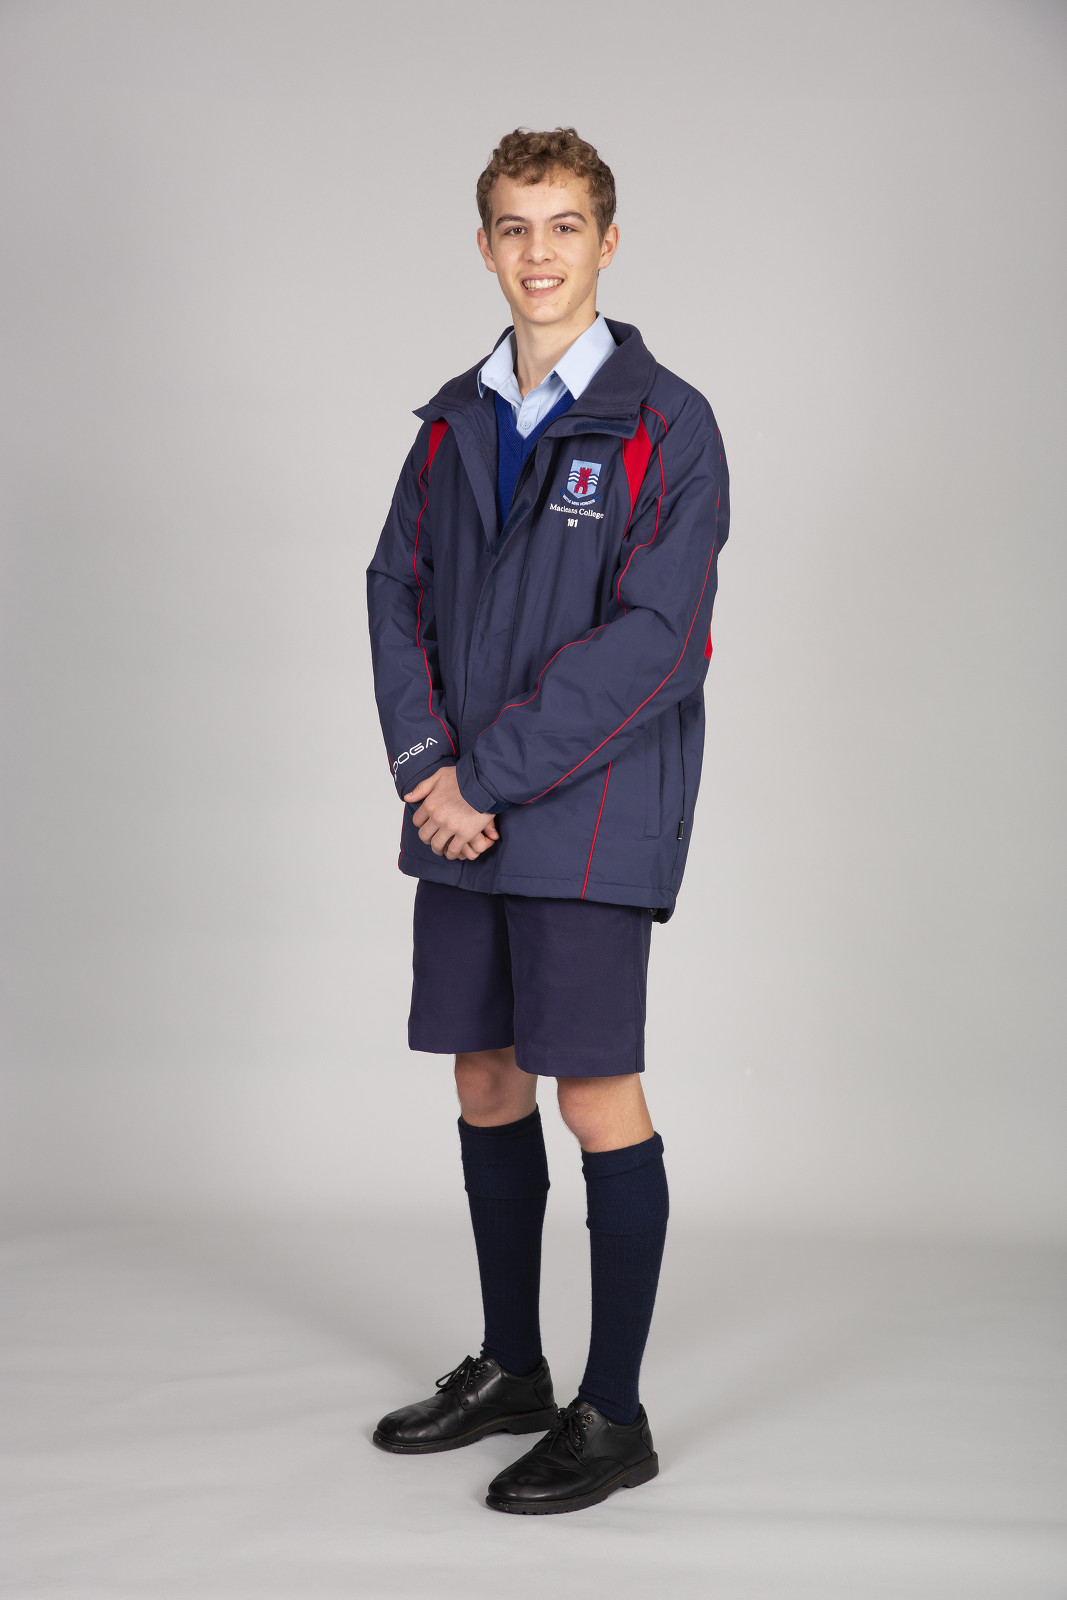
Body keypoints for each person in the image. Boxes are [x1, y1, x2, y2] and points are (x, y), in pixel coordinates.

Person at [365, 126, 729, 1515]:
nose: (539, 253)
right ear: (484, 246)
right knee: (483, 1078)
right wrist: (426, 767)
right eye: (515, 227)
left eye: (565, 225)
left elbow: (656, 643)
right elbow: (394, 590)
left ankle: (613, 1415)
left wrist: (486, 777)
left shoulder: (667, 425)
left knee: (592, 1092)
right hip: (458, 807)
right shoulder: (453, 421)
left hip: (586, 813)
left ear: (608, 243)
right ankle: (514, 1368)